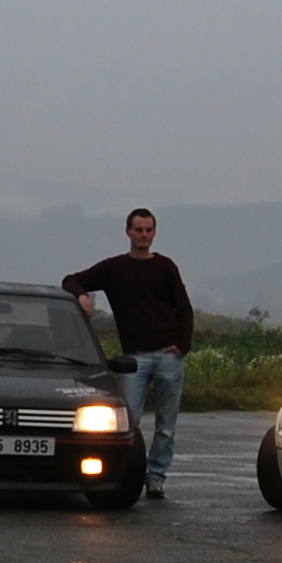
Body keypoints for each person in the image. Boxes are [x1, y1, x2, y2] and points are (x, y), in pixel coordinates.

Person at [63, 209, 192, 498]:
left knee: (166, 425)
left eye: (148, 230)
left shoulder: (165, 267)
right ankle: (123, 472)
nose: (143, 235)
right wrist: (82, 296)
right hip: (134, 359)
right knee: (127, 421)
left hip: (168, 356)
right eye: (138, 230)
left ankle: (156, 476)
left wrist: (183, 345)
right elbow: (70, 279)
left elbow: (184, 307)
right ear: (128, 232)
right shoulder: (114, 268)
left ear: (154, 233)